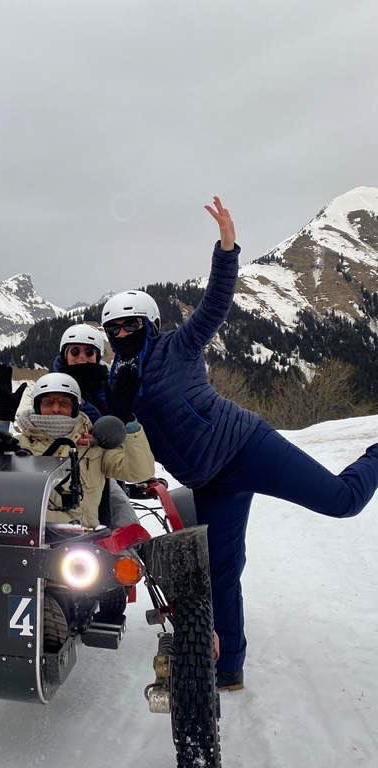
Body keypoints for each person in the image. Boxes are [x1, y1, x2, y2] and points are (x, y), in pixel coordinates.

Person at [102, 196, 378, 691]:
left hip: (247, 446)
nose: (122, 333)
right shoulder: (118, 379)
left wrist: (226, 247)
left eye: (130, 325)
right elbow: (96, 417)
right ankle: (229, 668)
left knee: (342, 501)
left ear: (148, 326)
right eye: (115, 329)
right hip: (210, 481)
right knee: (222, 573)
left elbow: (216, 304)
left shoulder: (178, 346)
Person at [0, 371, 155, 528]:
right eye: (48, 402)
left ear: (74, 408)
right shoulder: (18, 446)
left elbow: (139, 472)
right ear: (37, 407)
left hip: (85, 543)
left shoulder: (94, 448)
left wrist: (128, 422)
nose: (55, 409)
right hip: (30, 539)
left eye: (64, 403)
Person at [51, 322, 144, 527]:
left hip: (101, 471)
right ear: (65, 354)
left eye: (89, 352)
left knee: (123, 518)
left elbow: (120, 437)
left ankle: (135, 554)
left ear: (97, 356)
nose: (81, 357)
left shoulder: (109, 391)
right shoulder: (52, 390)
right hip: (54, 470)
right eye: (74, 351)